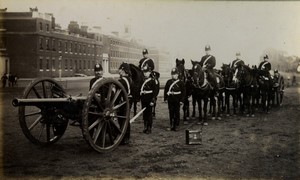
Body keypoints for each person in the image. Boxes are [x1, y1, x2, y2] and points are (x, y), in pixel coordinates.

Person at [140, 65, 158, 134]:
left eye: (146, 72)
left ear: (149, 72)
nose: (145, 73)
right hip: (144, 99)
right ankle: (145, 126)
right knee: (144, 114)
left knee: (149, 114)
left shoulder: (153, 81)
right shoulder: (142, 80)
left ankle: (149, 128)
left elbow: (155, 92)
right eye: (144, 72)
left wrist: (153, 100)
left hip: (149, 99)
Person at [118, 63, 133, 144]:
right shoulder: (130, 79)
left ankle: (124, 138)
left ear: (123, 70)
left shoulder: (122, 80)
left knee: (123, 119)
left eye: (120, 69)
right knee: (126, 118)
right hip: (128, 101)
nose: (119, 70)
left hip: (123, 102)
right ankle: (126, 137)